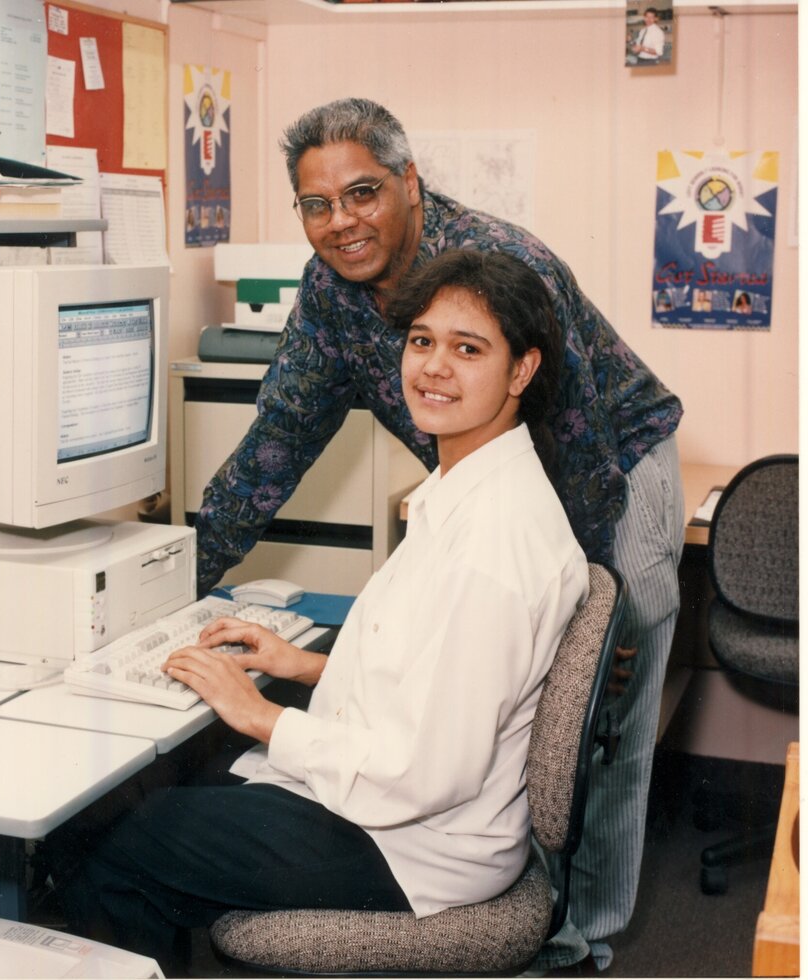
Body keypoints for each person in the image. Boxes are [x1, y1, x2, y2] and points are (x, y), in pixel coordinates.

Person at [194, 98, 685, 973]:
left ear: (410, 184)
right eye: (318, 204)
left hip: (615, 459)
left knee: (603, 711)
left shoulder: (503, 265)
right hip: (486, 473)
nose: (342, 222)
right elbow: (275, 446)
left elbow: (576, 452)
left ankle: (585, 938)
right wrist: (179, 579)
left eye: (364, 193)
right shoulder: (329, 294)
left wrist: (589, 620)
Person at [60, 250, 589, 977]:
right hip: (410, 808)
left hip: (413, 844)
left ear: (521, 371)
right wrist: (300, 663)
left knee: (118, 845)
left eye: (468, 349)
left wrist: (263, 715)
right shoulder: (469, 485)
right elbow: (441, 672)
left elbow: (430, 771)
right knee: (154, 797)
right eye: (422, 341)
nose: (433, 367)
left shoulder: (492, 549)